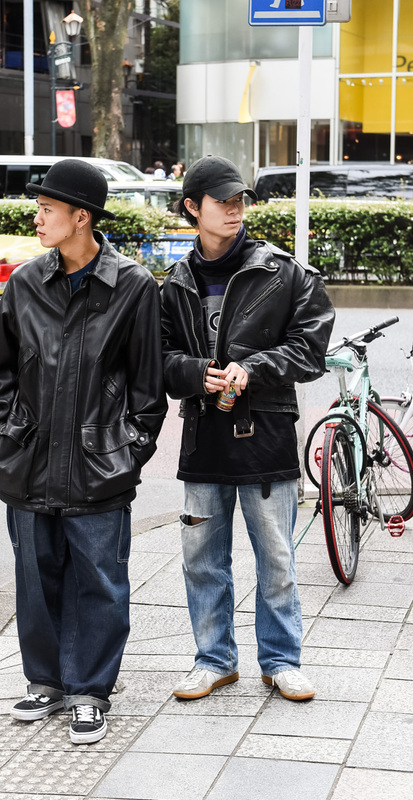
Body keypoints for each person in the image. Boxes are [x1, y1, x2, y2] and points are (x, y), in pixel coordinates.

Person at [0, 159, 167, 744]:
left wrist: (125, 451)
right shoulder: (26, 283)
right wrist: (2, 441)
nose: (37, 218)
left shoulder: (132, 286)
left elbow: (147, 388)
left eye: (47, 210)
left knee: (99, 583)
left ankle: (89, 690)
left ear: (80, 218)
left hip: (98, 466)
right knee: (35, 578)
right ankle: (46, 683)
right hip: (29, 463)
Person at [161, 155, 335, 703]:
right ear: (193, 207)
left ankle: (282, 660)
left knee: (277, 558)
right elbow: (156, 360)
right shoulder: (174, 283)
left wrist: (254, 368)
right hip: (203, 438)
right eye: (223, 201)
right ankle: (213, 660)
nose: (235, 211)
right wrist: (195, 374)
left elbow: (312, 348)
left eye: (241, 201)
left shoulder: (283, 272)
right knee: (201, 559)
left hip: (266, 436)